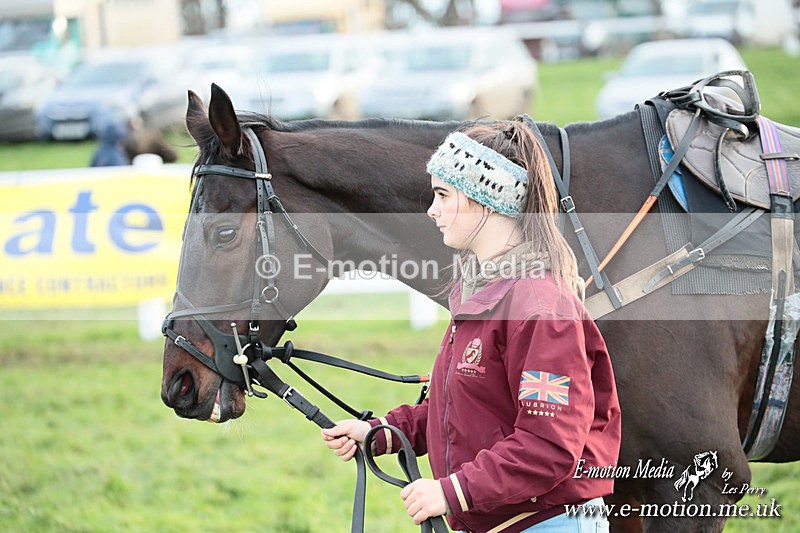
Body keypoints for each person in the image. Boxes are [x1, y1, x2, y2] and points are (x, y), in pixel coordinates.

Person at [321, 120, 622, 533]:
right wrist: (379, 433)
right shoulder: (483, 294)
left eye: (443, 195)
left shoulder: (540, 310)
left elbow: (548, 446)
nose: (432, 210)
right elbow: (461, 411)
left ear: (487, 200)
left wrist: (452, 491)